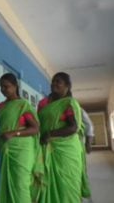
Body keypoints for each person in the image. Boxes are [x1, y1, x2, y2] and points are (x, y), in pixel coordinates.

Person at [37, 72, 91, 202]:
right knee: (49, 184)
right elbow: (39, 124)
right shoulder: (44, 104)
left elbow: (73, 127)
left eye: (58, 82)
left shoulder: (69, 103)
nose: (54, 84)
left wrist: (50, 134)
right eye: (53, 81)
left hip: (67, 151)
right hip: (47, 149)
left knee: (68, 186)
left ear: (67, 86)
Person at [0, 73, 42, 203]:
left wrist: (14, 133)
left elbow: (35, 128)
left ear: (15, 86)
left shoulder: (23, 106)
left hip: (22, 151)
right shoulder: (1, 107)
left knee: (21, 184)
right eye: (1, 87)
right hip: (5, 150)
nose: (3, 89)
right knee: (8, 184)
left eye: (6, 86)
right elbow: (0, 130)